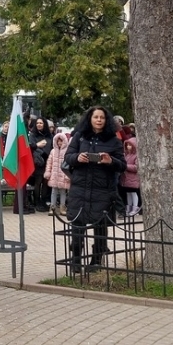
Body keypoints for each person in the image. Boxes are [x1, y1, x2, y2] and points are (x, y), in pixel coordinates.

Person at [64, 106, 126, 272]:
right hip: (80, 188)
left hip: (102, 190)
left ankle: (96, 261)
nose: (99, 120)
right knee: (77, 226)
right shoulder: (80, 136)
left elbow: (122, 165)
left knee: (100, 227)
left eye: (102, 117)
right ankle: (75, 261)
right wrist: (77, 157)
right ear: (89, 119)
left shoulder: (113, 140)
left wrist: (110, 160)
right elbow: (68, 157)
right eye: (95, 117)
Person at [29, 117, 54, 212]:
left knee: (45, 182)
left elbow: (53, 146)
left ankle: (43, 202)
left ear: (44, 124)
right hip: (38, 161)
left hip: (48, 161)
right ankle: (37, 202)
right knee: (38, 182)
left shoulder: (49, 135)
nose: (39, 124)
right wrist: (38, 146)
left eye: (41, 123)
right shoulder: (33, 134)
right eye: (37, 123)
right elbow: (31, 145)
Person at [44, 132, 70, 215]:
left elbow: (69, 164)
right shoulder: (53, 151)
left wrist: (68, 175)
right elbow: (49, 163)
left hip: (63, 176)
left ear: (64, 141)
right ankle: (52, 207)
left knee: (63, 192)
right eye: (58, 141)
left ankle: (62, 207)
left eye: (61, 141)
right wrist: (48, 172)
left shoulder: (67, 152)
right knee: (53, 191)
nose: (59, 143)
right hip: (54, 175)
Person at [120, 137, 140, 217]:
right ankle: (129, 207)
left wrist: (126, 166)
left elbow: (136, 167)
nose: (128, 147)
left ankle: (135, 208)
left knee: (133, 193)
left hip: (133, 178)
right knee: (128, 193)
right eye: (127, 145)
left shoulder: (136, 156)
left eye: (130, 145)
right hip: (126, 178)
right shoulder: (126, 155)